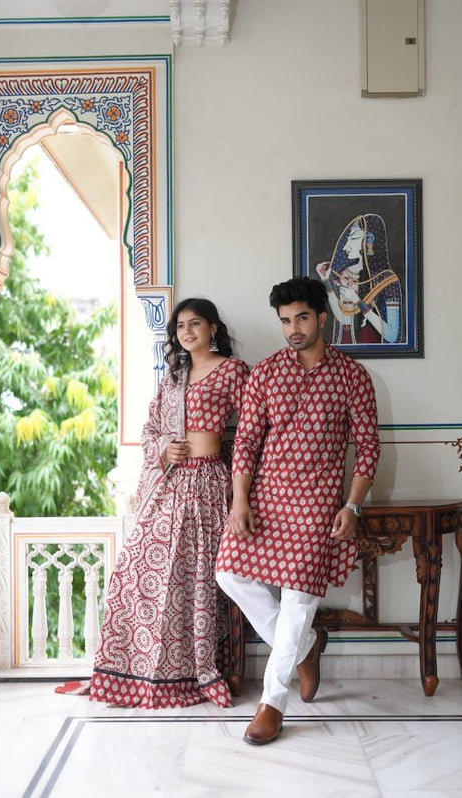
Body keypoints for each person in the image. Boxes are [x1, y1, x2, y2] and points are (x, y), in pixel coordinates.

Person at [216, 276, 380, 745]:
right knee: (229, 573)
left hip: (317, 502)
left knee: (296, 601)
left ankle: (272, 704)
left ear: (322, 317)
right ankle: (307, 647)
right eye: (286, 320)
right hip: (265, 496)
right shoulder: (266, 373)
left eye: (301, 317)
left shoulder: (352, 376)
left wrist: (352, 504)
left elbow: (368, 448)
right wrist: (241, 499)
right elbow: (245, 440)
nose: (293, 328)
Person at [81, 298, 250, 709]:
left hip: (209, 485)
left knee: (196, 579)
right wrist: (163, 448)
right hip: (169, 485)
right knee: (139, 573)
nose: (187, 332)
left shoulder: (233, 371)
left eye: (195, 324)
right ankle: (136, 672)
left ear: (213, 328)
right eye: (180, 326)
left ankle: (195, 671)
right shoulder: (175, 376)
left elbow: (252, 428)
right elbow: (152, 426)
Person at [316, 213, 402, 345]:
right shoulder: (350, 272)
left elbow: (392, 337)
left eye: (354, 238)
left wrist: (358, 301)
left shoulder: (388, 280)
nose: (346, 247)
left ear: (368, 241)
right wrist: (326, 280)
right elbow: (344, 319)